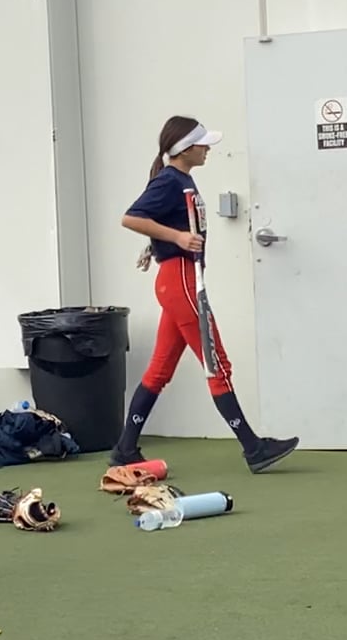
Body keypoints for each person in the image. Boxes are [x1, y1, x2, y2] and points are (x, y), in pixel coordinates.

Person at [107, 115, 299, 472]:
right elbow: (131, 218)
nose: (208, 149)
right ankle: (253, 449)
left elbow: (163, 220)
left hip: (177, 279)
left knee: (160, 370)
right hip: (180, 279)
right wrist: (176, 239)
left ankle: (125, 449)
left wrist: (159, 244)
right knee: (217, 364)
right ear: (184, 149)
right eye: (202, 144)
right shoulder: (170, 180)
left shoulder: (180, 179)